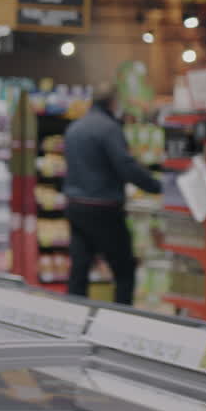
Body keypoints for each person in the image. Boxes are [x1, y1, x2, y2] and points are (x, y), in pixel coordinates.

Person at [62, 82, 162, 305]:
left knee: (79, 268)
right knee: (124, 270)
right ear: (113, 102)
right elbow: (125, 165)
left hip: (75, 206)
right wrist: (156, 186)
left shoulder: (74, 128)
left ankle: (72, 317)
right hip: (103, 208)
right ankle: (120, 319)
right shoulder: (108, 129)